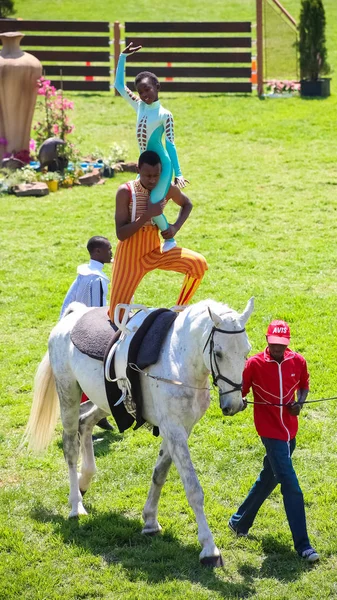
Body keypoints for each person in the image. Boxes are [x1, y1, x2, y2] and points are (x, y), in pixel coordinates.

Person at [229, 320, 319, 563]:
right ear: (267, 340)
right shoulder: (254, 364)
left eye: (283, 344)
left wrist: (299, 403)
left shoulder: (297, 361)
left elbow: (304, 386)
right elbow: (240, 393)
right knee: (291, 485)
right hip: (269, 432)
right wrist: (241, 402)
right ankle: (304, 546)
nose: (278, 348)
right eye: (275, 343)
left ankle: (238, 522)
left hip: (290, 432)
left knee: (269, 476)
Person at [109, 150, 207, 323]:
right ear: (138, 169)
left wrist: (175, 227)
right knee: (117, 316)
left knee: (198, 264)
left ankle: (178, 314)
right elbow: (121, 234)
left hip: (155, 250)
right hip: (129, 256)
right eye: (147, 175)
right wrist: (147, 215)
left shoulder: (165, 188)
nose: (153, 180)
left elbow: (187, 204)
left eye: (156, 175)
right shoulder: (125, 191)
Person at [114, 43, 186, 252]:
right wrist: (122, 57)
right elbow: (119, 86)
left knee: (154, 206)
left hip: (162, 166)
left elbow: (170, 144)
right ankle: (141, 239)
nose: (145, 94)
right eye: (141, 91)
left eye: (148, 89)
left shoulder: (165, 114)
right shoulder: (139, 106)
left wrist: (178, 173)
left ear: (157, 87)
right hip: (146, 166)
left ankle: (170, 239)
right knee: (140, 201)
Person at [60, 236, 114, 432]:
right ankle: (92, 412)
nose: (111, 253)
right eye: (108, 249)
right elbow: (97, 310)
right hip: (86, 328)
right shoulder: (97, 279)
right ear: (97, 252)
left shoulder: (83, 273)